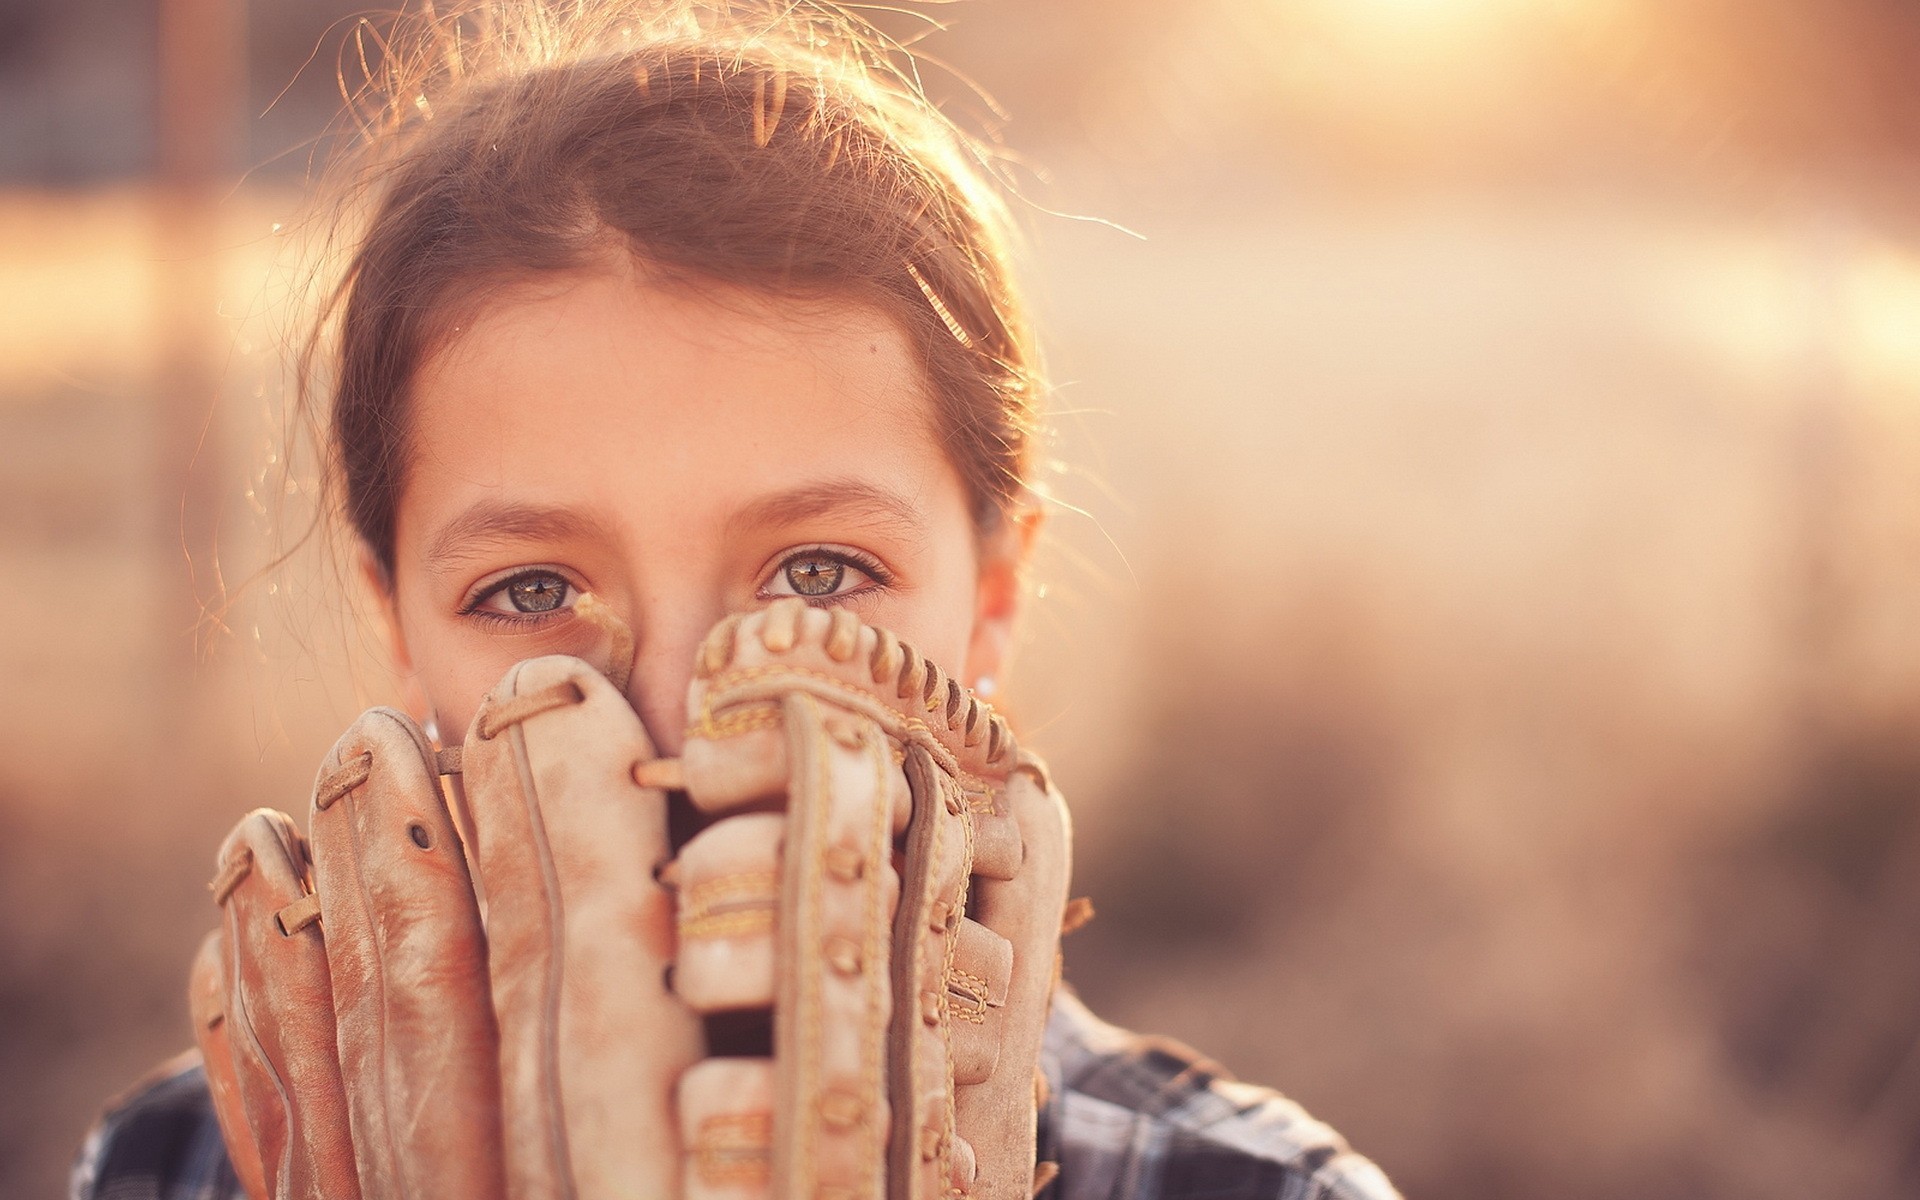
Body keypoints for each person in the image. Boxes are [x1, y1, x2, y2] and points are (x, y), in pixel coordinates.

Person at [73, 3, 1400, 1197]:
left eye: (817, 578)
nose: (681, 719)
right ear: (398, 634)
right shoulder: (179, 1168)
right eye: (532, 589)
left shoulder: (1251, 1190)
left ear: (993, 599)